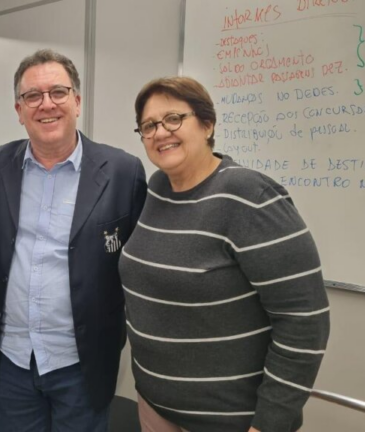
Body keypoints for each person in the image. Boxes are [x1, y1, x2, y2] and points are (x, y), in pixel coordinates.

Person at [120, 76, 330, 432]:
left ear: (207, 123)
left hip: (229, 420)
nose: (160, 132)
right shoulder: (157, 189)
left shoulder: (250, 196)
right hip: (156, 406)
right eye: (149, 125)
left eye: (174, 119)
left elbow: (305, 320)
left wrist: (269, 424)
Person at [0, 49, 148, 432]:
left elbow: (141, 265)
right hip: (14, 362)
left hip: (82, 363)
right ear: (18, 109)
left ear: (76, 100)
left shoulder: (122, 171)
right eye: (33, 96)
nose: (47, 105)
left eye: (58, 92)